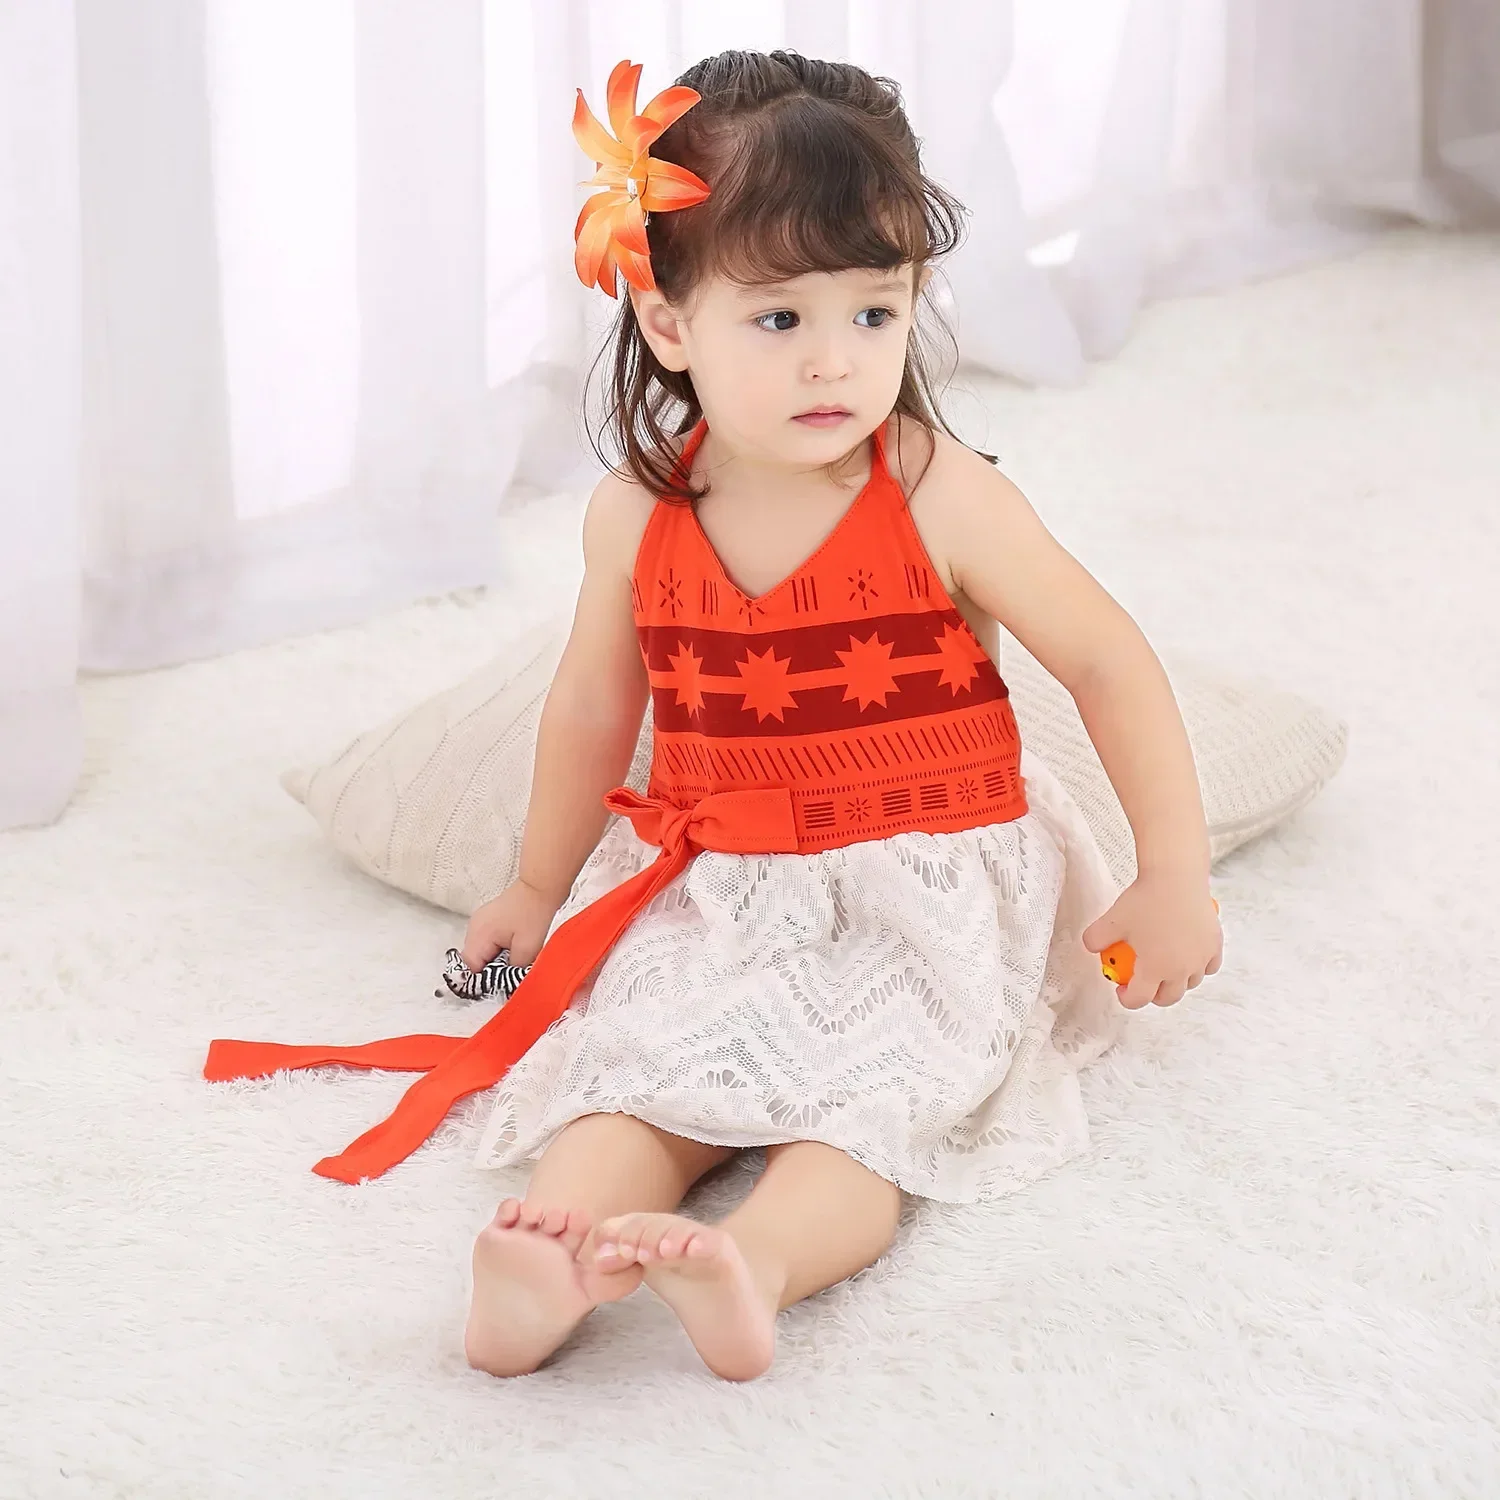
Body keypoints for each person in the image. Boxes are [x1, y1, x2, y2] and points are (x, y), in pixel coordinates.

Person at [202, 47, 1222, 1384]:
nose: (836, 361)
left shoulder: (938, 493)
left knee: (871, 1110)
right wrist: (536, 885)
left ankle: (760, 1263)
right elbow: (590, 706)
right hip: (723, 885)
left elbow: (1107, 661)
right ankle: (556, 1255)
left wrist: (1174, 872)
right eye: (780, 318)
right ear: (671, 322)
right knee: (637, 1069)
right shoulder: (637, 514)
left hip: (924, 883)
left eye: (875, 311)